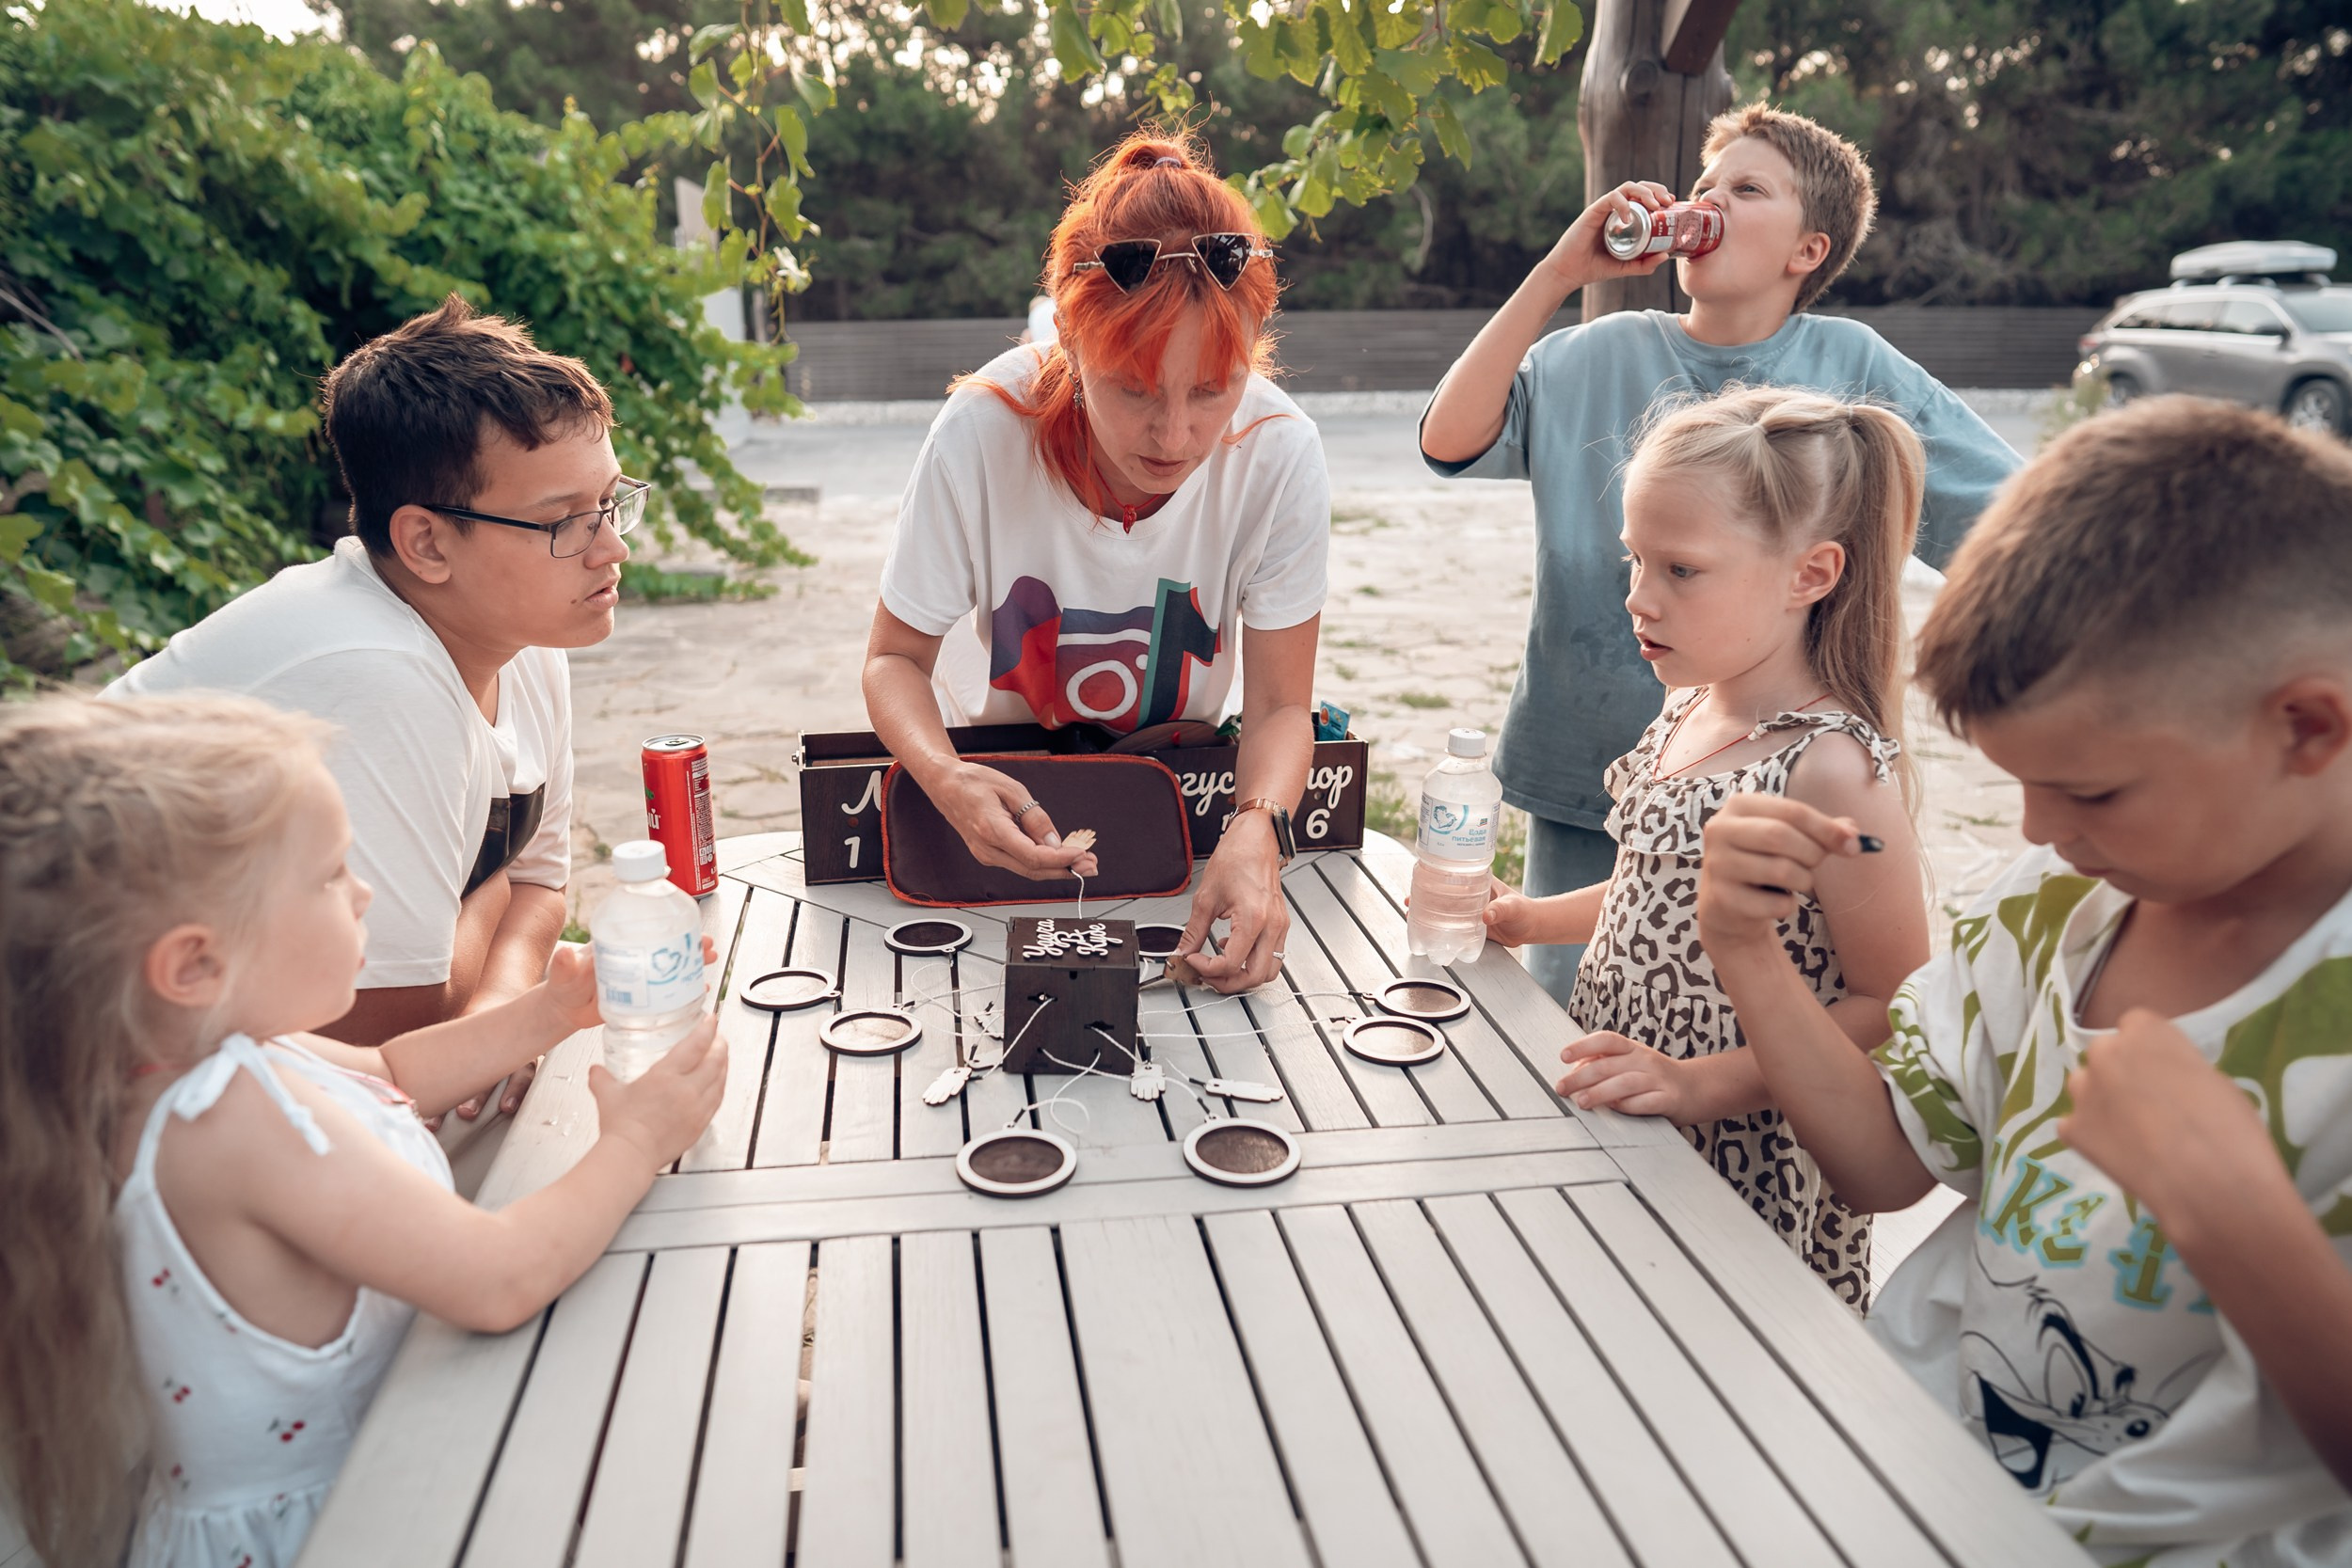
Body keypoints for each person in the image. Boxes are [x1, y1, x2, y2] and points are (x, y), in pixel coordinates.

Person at [1695, 398, 2352, 1561]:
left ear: (2306, 724)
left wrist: (2236, 1220)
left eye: (2091, 793)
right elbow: (1883, 1166)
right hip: (1919, 1488)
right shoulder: (2051, 908)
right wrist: (1748, 951)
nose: (2041, 833)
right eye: (2021, 786)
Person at [0, 692, 727, 1568]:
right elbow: (498, 1276)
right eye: (331, 875)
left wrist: (550, 1011)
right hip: (355, 1523)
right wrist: (636, 1141)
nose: (364, 891)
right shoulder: (229, 1122)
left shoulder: (186, 1058)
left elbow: (395, 1075)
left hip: (392, 1456)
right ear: (195, 963)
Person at [1419, 103, 2020, 1001]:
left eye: (1748, 189)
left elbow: (2008, 522)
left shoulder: (1852, 364)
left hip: (1771, 773)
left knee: (1736, 1013)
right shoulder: (1594, 351)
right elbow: (1447, 440)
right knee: (1580, 1013)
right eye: (1704, 187)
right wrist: (1559, 271)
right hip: (1584, 760)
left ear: (1808, 250)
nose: (1711, 203)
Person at [108, 296, 635, 1147]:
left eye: (611, 502)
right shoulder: (380, 677)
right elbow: (382, 1046)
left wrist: (501, 1015)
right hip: (82, 1088)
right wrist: (489, 907)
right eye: (561, 522)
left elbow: (542, 885)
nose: (611, 547)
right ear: (426, 544)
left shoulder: (525, 634)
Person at [1481, 386, 1930, 1307]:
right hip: (1635, 1112)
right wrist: (1528, 917)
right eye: (1633, 559)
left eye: (1680, 569)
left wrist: (1699, 1083)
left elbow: (1889, 1002)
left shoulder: (1833, 767)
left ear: (1811, 574)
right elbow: (1653, 887)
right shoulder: (1689, 702)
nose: (1636, 596)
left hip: (1746, 1156)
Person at [863, 130, 1328, 994]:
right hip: (998, 795)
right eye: (1135, 388)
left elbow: (1278, 707)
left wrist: (1258, 825)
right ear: (1071, 347)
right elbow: (895, 659)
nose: (1177, 435)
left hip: (1181, 792)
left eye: (1213, 389)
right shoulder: (982, 430)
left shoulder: (1279, 452)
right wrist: (943, 776)